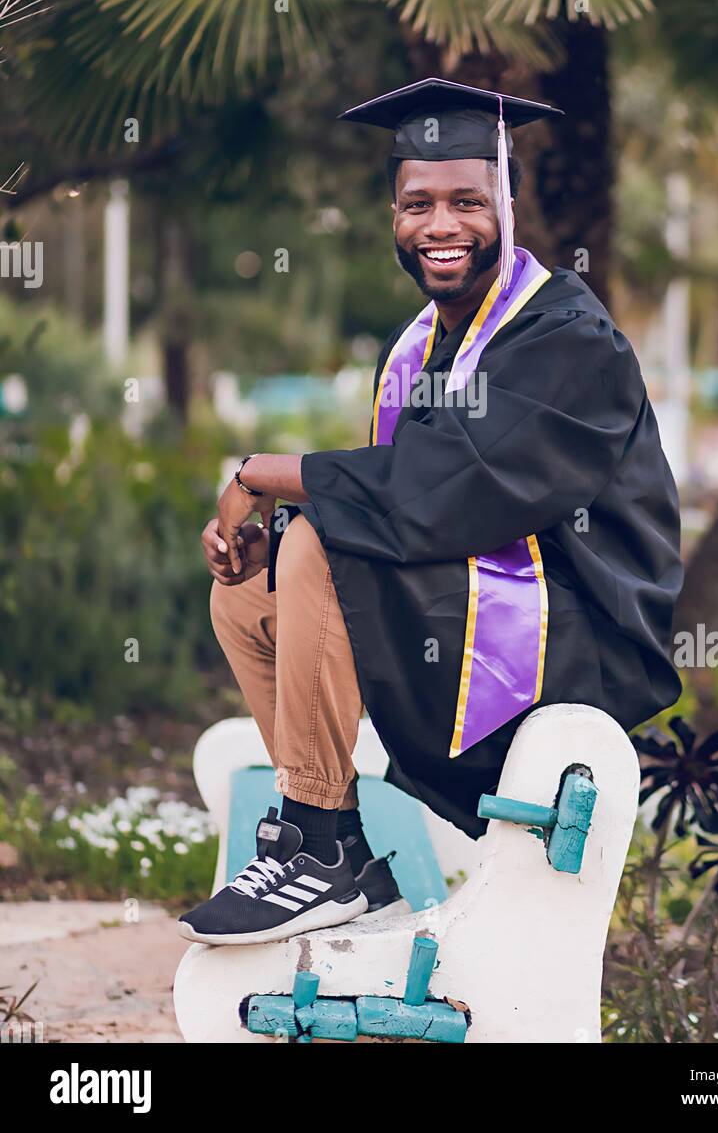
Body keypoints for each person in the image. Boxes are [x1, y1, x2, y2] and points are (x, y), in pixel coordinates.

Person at [178, 78, 683, 946]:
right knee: (248, 593)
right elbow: (402, 503)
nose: (440, 225)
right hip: (473, 605)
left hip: (579, 639)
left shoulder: (566, 337)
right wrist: (271, 538)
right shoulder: (421, 345)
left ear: (507, 209)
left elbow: (450, 488)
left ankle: (315, 848)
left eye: (466, 202)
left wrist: (264, 476)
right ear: (394, 215)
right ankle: (332, 842)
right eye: (419, 204)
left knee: (323, 537)